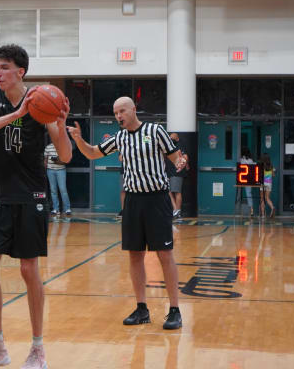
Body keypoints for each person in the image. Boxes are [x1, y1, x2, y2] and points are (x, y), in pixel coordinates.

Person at [0, 44, 72, 369]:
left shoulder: (43, 101)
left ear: (20, 72)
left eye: (4, 68)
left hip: (32, 196)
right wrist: (14, 115)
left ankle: (38, 348)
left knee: (29, 270)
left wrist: (61, 124)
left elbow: (66, 156)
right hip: (1, 195)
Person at [67, 96, 186, 330]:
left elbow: (176, 158)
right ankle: (142, 309)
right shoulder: (119, 138)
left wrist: (181, 162)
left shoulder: (155, 131)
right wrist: (78, 139)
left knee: (164, 255)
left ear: (133, 110)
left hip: (157, 199)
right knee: (134, 255)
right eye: (115, 113)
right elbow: (92, 153)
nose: (118, 116)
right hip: (132, 201)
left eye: (122, 111)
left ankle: (174, 310)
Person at [44, 141, 71, 216]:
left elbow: (66, 160)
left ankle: (67, 208)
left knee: (63, 189)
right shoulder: (48, 147)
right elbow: (45, 160)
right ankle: (56, 209)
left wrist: (57, 160)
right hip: (50, 170)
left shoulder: (63, 146)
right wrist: (44, 170)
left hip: (61, 170)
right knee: (53, 190)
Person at [166, 133, 189, 219]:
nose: (171, 139)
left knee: (177, 191)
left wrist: (184, 163)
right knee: (168, 191)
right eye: (170, 138)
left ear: (177, 139)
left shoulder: (179, 146)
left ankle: (177, 210)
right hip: (169, 171)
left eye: (173, 138)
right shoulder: (168, 147)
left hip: (177, 172)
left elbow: (186, 157)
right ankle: (175, 209)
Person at [240, 148, 256, 216]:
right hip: (249, 180)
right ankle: (251, 210)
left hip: (243, 179)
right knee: (249, 194)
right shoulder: (251, 160)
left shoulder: (242, 160)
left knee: (248, 194)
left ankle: (250, 210)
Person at [260, 153, 275, 218]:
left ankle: (263, 215)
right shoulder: (271, 166)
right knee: (267, 198)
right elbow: (273, 175)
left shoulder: (261, 166)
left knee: (262, 199)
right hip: (269, 183)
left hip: (263, 184)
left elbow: (260, 175)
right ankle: (272, 207)